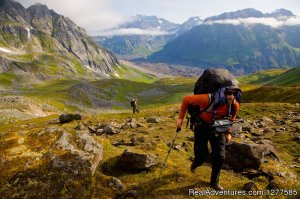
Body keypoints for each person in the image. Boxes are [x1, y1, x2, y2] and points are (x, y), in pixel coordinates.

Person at [176, 86, 240, 190]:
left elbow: (231, 119)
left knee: (220, 156)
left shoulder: (234, 105)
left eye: (234, 94)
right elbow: (186, 99)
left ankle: (214, 182)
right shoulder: (208, 98)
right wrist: (180, 118)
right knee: (202, 154)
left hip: (218, 128)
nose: (231, 96)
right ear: (223, 93)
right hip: (202, 126)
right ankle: (196, 163)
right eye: (229, 93)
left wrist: (228, 132)